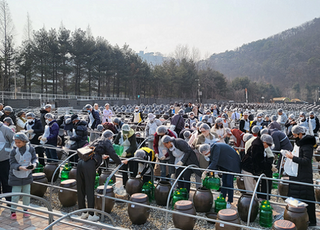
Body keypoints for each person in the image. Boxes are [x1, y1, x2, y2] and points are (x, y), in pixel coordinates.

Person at [78, 130, 121, 222]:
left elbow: (94, 152)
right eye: (111, 137)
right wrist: (120, 163)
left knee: (81, 187)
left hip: (81, 162)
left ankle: (83, 212)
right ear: (109, 137)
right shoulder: (106, 141)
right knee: (89, 188)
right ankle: (91, 214)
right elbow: (112, 153)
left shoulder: (97, 141)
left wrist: (102, 156)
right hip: (89, 165)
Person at [285, 125, 316, 226]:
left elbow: (306, 160)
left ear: (301, 134)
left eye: (295, 135)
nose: (294, 137)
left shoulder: (307, 145)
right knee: (297, 195)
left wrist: (293, 158)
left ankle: (310, 220)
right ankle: (297, 217)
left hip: (304, 174)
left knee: (306, 196)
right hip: (298, 172)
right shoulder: (300, 143)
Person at [199, 143, 241, 208]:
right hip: (225, 164)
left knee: (229, 183)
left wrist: (205, 172)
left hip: (232, 163)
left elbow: (215, 161)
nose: (206, 156)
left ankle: (230, 201)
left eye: (205, 154)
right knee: (224, 181)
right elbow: (211, 162)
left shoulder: (216, 147)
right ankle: (222, 197)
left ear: (208, 151)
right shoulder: (211, 149)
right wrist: (211, 173)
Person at [9, 132, 38, 220]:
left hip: (27, 175)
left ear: (25, 141)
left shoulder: (31, 149)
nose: (17, 144)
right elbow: (12, 163)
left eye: (19, 142)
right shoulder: (13, 151)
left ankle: (26, 209)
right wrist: (19, 167)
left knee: (26, 194)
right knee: (15, 195)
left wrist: (34, 165)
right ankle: (13, 211)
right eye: (16, 142)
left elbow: (34, 158)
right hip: (15, 176)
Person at [0, 120, 14, 212]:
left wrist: (10, 152)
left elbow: (14, 141)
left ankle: (10, 202)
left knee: (6, 181)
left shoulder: (5, 129)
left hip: (4, 160)